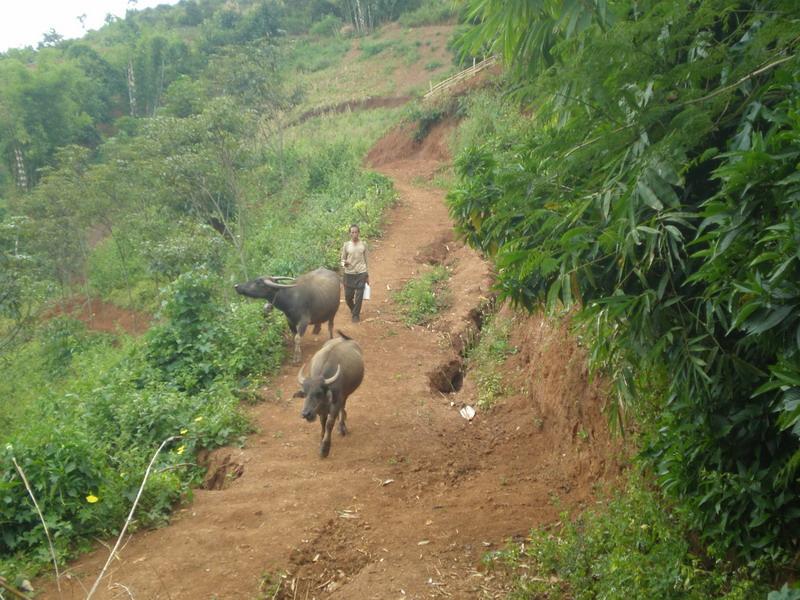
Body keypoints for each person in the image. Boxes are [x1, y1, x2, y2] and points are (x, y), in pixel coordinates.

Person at [340, 224, 369, 323]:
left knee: (359, 295)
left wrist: (367, 275)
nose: (354, 234)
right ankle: (353, 309)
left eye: (356, 232)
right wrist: (345, 263)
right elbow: (342, 260)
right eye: (352, 232)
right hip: (349, 273)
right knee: (348, 297)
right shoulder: (346, 245)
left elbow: (366, 260)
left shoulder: (363, 244)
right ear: (350, 234)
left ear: (359, 233)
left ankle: (355, 315)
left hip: (361, 272)